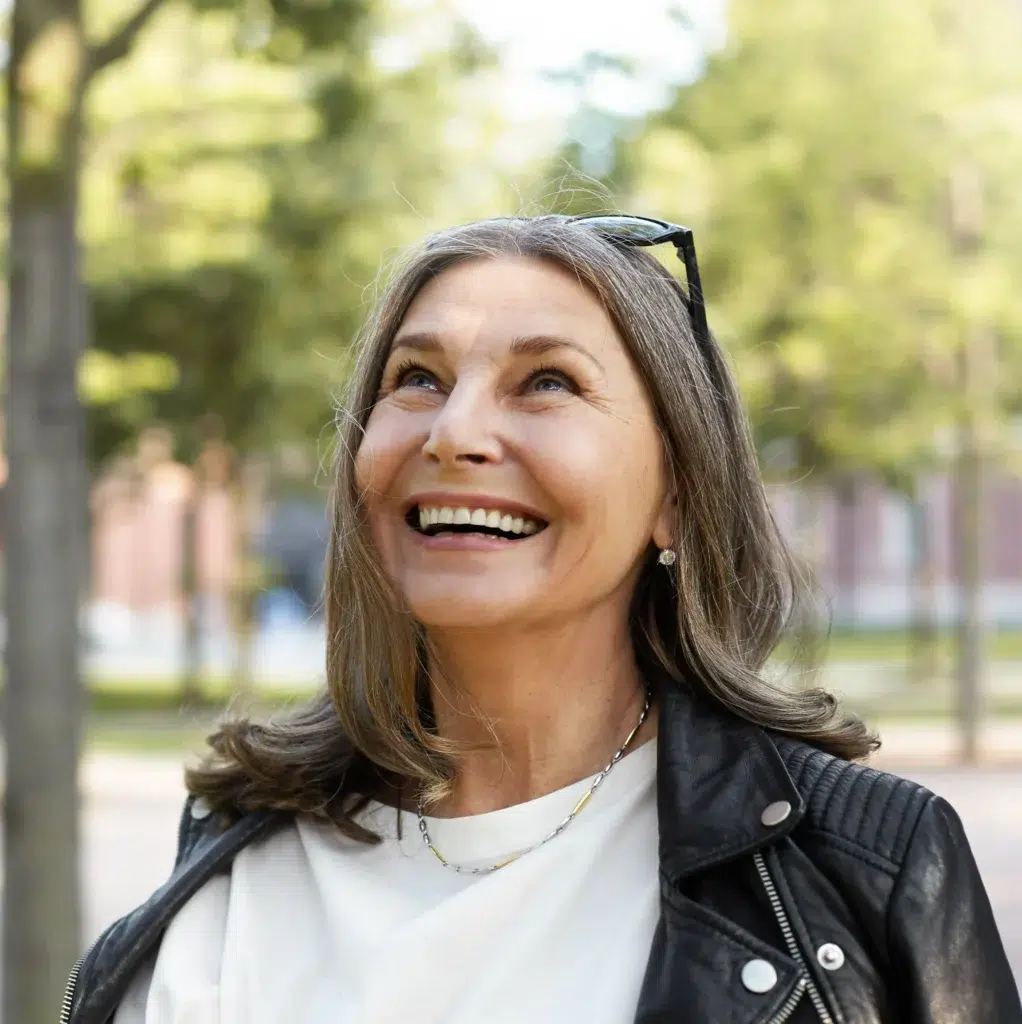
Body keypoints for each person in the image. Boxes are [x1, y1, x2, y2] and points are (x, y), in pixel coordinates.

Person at [65, 214, 1021, 1024]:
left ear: (678, 495)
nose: (454, 434)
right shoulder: (235, 858)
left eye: (548, 382)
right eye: (418, 379)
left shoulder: (870, 868)